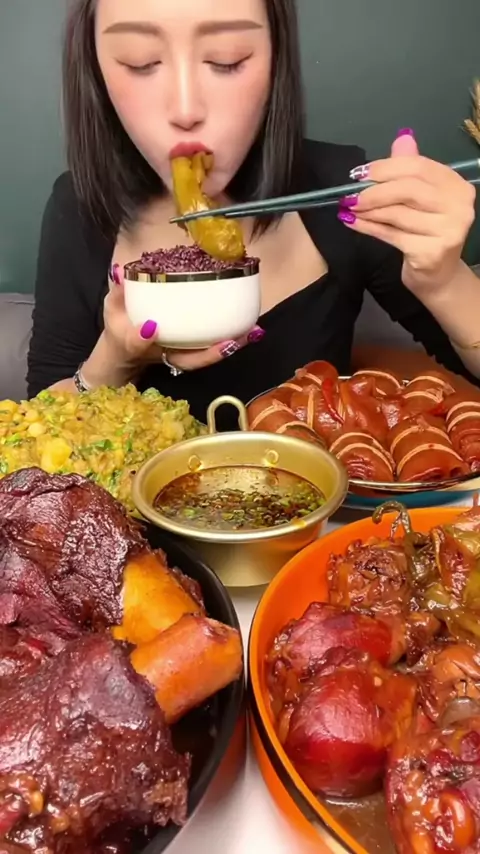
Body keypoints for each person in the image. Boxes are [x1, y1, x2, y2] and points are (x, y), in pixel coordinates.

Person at [28, 0, 480, 425]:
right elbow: (38, 431)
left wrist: (443, 280)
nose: (185, 109)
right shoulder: (79, 207)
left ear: (275, 61)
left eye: (227, 59)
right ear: (96, 71)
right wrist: (116, 358)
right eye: (140, 62)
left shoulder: (341, 192)